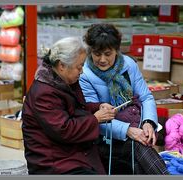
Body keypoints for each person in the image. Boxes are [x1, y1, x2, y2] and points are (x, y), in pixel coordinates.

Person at [79, 24, 169, 175]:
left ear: (116, 50)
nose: (102, 59)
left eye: (108, 54)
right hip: (104, 137)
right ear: (90, 51)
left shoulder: (128, 64)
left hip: (134, 123)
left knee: (141, 148)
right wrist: (127, 130)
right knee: (139, 145)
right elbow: (94, 118)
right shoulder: (84, 74)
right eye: (97, 53)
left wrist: (148, 122)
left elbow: (146, 97)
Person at [21, 36, 116, 175]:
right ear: (61, 65)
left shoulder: (63, 80)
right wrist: (95, 119)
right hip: (53, 161)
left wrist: (99, 107)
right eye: (79, 67)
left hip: (69, 151)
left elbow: (76, 109)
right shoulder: (44, 93)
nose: (82, 71)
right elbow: (64, 129)